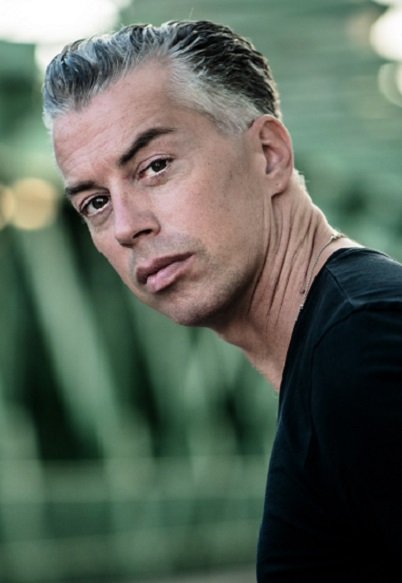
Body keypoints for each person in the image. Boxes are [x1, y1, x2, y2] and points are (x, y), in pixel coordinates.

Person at [42, 20, 402, 581]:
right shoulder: (338, 347)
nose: (127, 227)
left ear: (269, 154)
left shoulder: (366, 346)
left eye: (155, 166)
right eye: (95, 203)